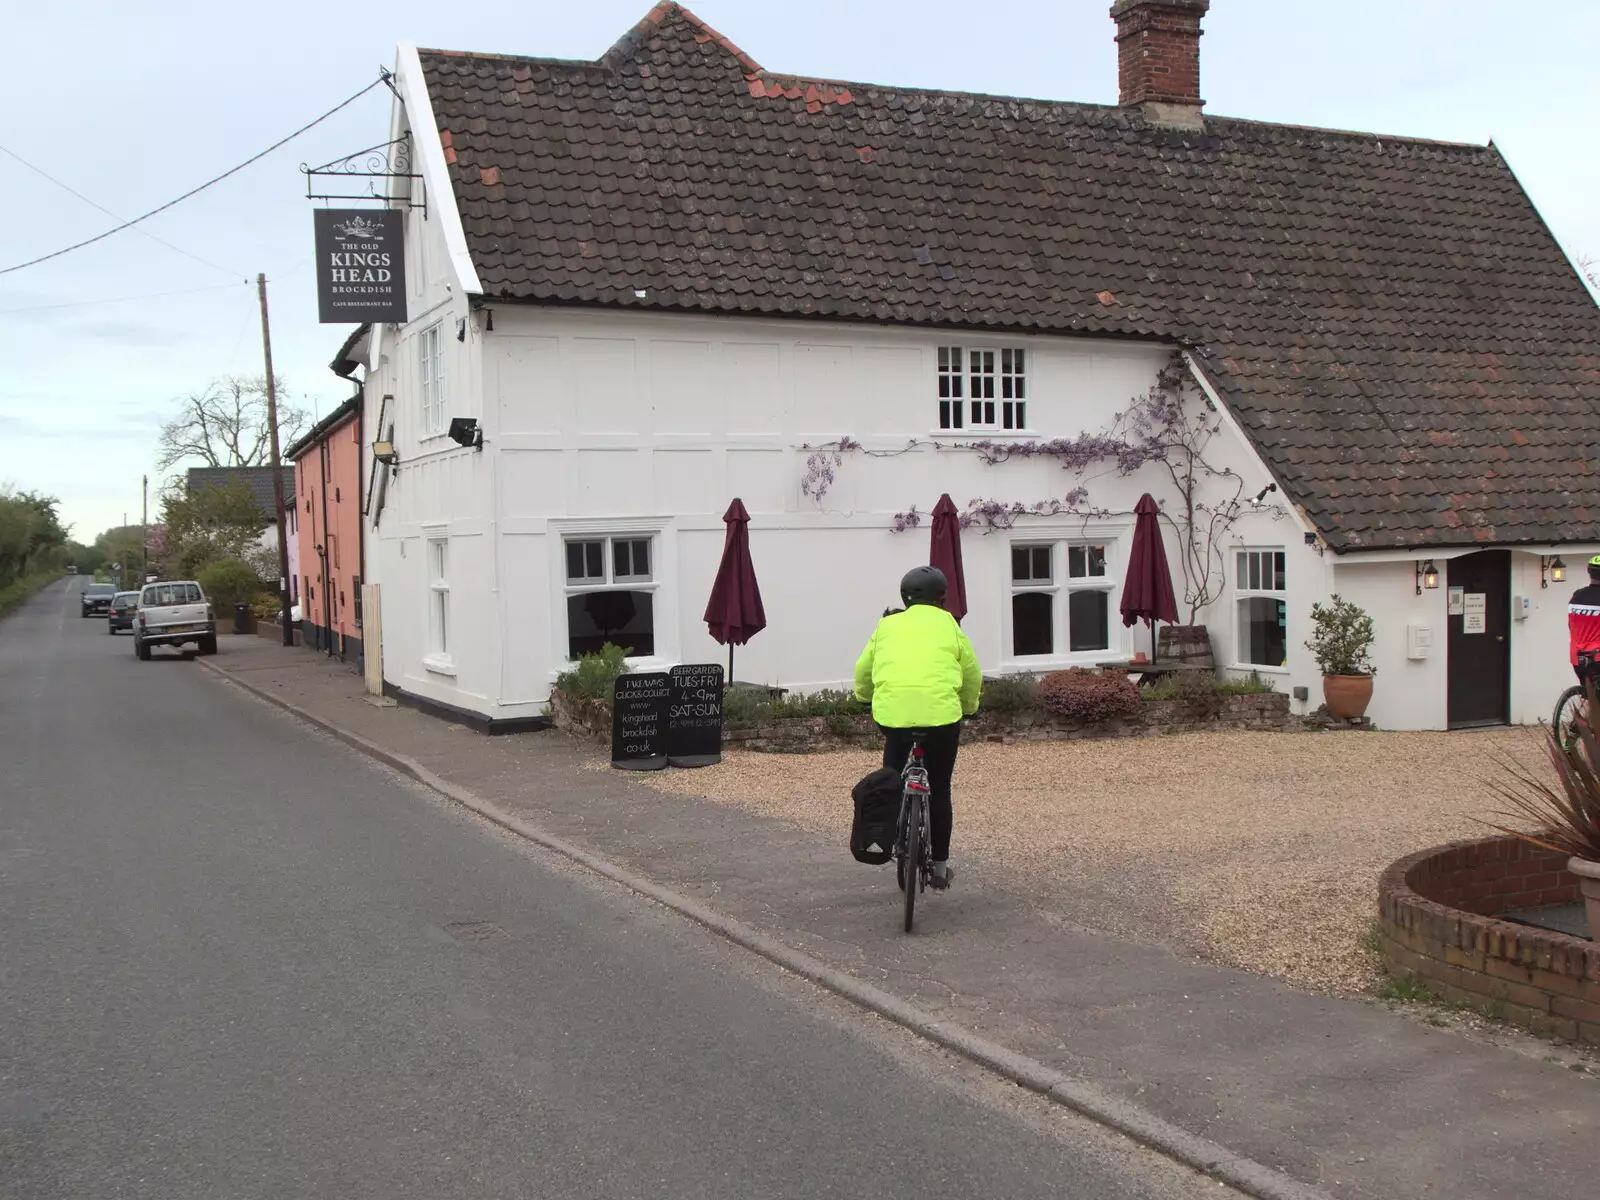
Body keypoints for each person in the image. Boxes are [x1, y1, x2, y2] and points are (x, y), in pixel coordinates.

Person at [853, 566, 981, 889]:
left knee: (892, 777)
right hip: (941, 721)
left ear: (904, 598)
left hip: (893, 719)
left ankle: (893, 830)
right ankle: (939, 870)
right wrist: (969, 708)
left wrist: (863, 697)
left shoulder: (887, 625)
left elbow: (863, 668)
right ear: (942, 599)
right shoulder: (950, 625)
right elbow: (971, 673)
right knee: (939, 787)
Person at [1568, 555, 1600, 682]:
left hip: (1577, 658)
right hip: (1597, 657)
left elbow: (1571, 626)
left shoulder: (1577, 596)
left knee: (1591, 693)